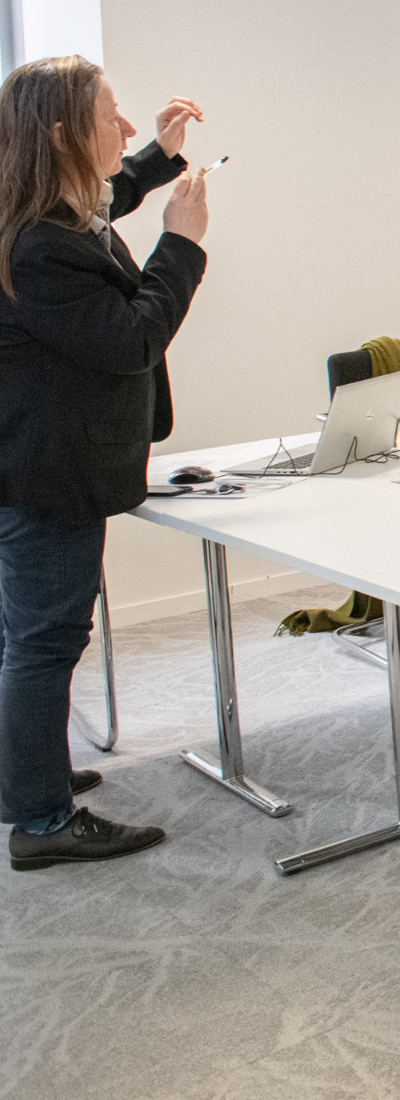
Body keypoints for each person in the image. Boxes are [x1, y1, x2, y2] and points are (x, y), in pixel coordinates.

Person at [0, 59, 207, 870]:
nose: (124, 129)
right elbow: (131, 339)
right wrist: (181, 246)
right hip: (49, 474)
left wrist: (160, 156)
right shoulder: (40, 247)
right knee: (44, 642)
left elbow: (108, 199)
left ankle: (25, 781)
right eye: (111, 118)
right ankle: (42, 821)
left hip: (40, 462)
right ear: (61, 135)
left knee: (28, 637)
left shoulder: (44, 212)